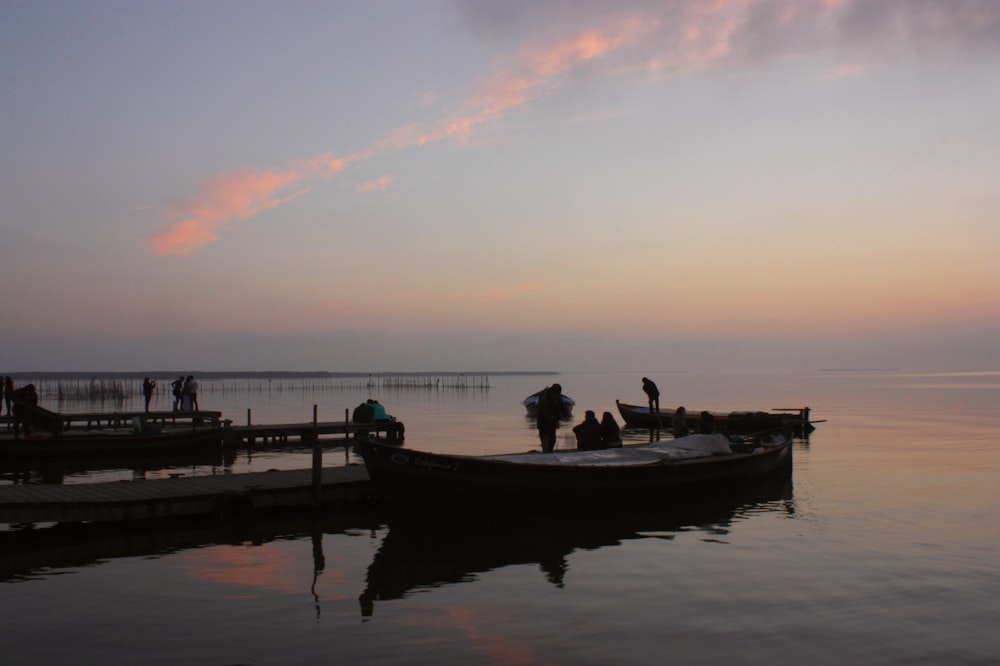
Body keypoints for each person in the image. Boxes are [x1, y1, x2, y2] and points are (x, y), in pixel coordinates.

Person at [535, 383, 563, 453]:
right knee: (546, 440)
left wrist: (558, 419)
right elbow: (545, 412)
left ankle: (549, 452)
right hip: (543, 423)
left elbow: (560, 408)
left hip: (552, 423)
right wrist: (553, 420)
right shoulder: (545, 397)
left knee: (552, 439)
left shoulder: (558, 397)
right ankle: (546, 453)